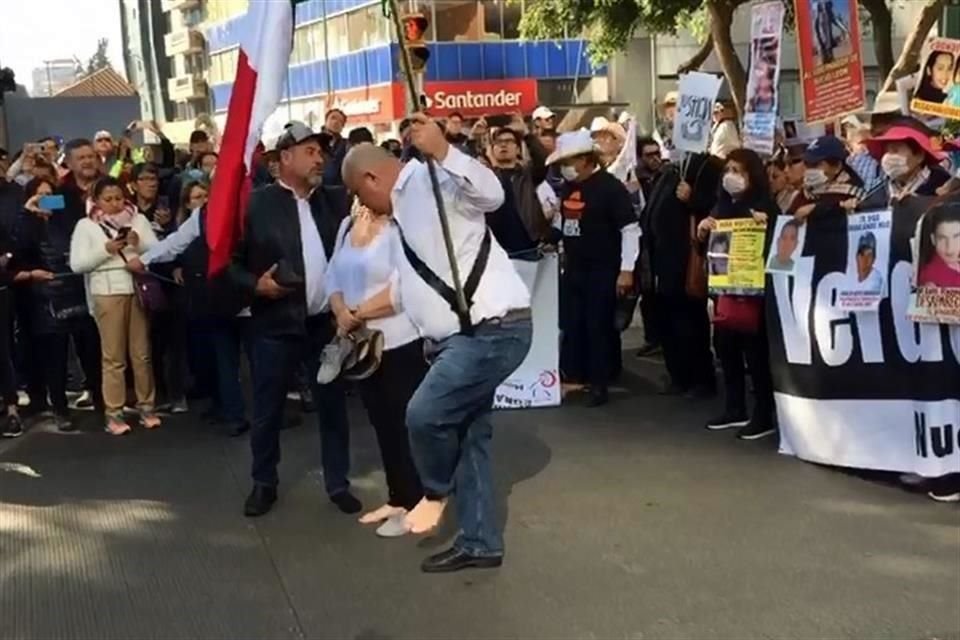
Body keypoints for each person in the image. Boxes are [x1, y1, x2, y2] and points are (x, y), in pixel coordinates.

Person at [342, 113, 532, 573]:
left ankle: (433, 494)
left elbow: (492, 193)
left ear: (372, 177)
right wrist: (355, 315)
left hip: (489, 330)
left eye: (359, 192)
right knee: (470, 440)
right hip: (460, 339)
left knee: (423, 414)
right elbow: (408, 287)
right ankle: (480, 541)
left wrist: (445, 150)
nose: (360, 204)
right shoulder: (404, 212)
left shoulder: (429, 177)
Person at [226, 121, 357, 518]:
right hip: (275, 325)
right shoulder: (255, 204)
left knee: (333, 407)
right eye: (310, 152)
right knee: (267, 409)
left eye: (322, 152)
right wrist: (255, 285)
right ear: (285, 158)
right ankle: (264, 482)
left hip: (324, 326)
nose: (320, 159)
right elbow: (226, 262)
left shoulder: (334, 202)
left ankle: (338, 483)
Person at [326, 193, 426, 538]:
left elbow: (401, 289)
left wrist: (356, 314)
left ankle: (416, 502)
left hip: (400, 343)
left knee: (404, 426)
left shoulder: (401, 228)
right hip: (361, 345)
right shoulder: (346, 226)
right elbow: (332, 278)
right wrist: (341, 312)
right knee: (382, 425)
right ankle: (398, 496)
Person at [551, 130, 638, 407]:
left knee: (598, 326)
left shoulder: (610, 188)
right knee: (574, 323)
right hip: (574, 267)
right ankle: (578, 375)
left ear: (588, 160)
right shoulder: (568, 188)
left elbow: (630, 229)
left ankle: (600, 383)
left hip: (603, 269)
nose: (566, 167)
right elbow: (562, 224)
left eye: (571, 160)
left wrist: (626, 269)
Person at [697, 148, 778, 440]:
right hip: (724, 290)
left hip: (753, 292)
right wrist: (704, 232)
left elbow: (776, 247)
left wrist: (766, 226)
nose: (732, 176)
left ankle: (763, 414)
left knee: (755, 355)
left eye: (739, 171)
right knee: (726, 348)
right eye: (728, 169)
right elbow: (706, 251)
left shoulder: (764, 206)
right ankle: (734, 408)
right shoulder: (721, 206)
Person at [69, 176, 160, 435]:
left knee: (141, 353)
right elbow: (77, 264)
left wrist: (137, 243)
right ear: (95, 200)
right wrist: (106, 249)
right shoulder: (85, 226)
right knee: (113, 357)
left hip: (137, 290)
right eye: (107, 199)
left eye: (119, 198)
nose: (115, 204)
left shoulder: (138, 219)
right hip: (106, 292)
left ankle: (147, 405)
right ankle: (114, 412)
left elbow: (156, 249)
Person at [486, 120, 551, 291]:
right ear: (491, 149)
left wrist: (528, 135)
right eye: (499, 143)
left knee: (526, 298)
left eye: (509, 142)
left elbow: (544, 160)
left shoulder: (528, 175)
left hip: (526, 249)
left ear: (517, 148)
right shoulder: (485, 177)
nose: (503, 146)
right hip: (494, 252)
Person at [864, 125, 951, 202]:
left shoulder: (946, 187)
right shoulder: (876, 195)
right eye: (886, 151)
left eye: (895, 150)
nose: (888, 157)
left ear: (919, 156)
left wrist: (918, 202)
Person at [917, 205, 960, 287]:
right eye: (942, 238)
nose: (949, 247)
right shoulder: (931, 279)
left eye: (956, 237)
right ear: (933, 239)